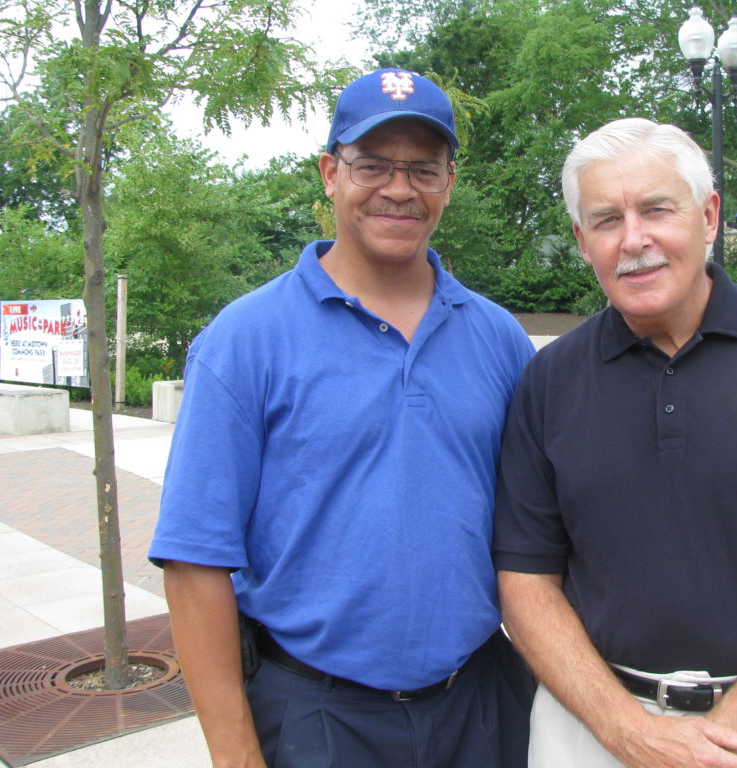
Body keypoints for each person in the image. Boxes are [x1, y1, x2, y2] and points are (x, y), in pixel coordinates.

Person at [149, 69, 536, 768]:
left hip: (479, 707)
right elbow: (194, 561)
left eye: (423, 168)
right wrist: (236, 756)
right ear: (330, 173)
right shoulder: (246, 340)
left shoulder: (498, 338)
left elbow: (539, 532)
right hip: (315, 717)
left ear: (450, 182)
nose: (399, 189)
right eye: (372, 165)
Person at [493, 118, 737, 768]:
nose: (635, 240)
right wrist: (629, 733)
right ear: (581, 240)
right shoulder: (548, 383)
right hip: (589, 732)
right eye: (606, 220)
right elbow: (526, 583)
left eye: (656, 209)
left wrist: (715, 743)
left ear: (708, 216)